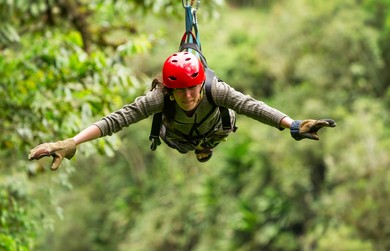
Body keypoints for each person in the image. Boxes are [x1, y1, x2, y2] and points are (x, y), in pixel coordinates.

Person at [28, 52, 336, 170]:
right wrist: (72, 142)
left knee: (228, 119)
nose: (188, 95)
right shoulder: (157, 98)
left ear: (201, 84)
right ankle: (198, 148)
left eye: (193, 88)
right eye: (180, 90)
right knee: (182, 143)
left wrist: (292, 124)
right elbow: (115, 120)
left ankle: (205, 147)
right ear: (170, 89)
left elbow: (251, 106)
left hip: (215, 130)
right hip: (179, 139)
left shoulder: (215, 91)